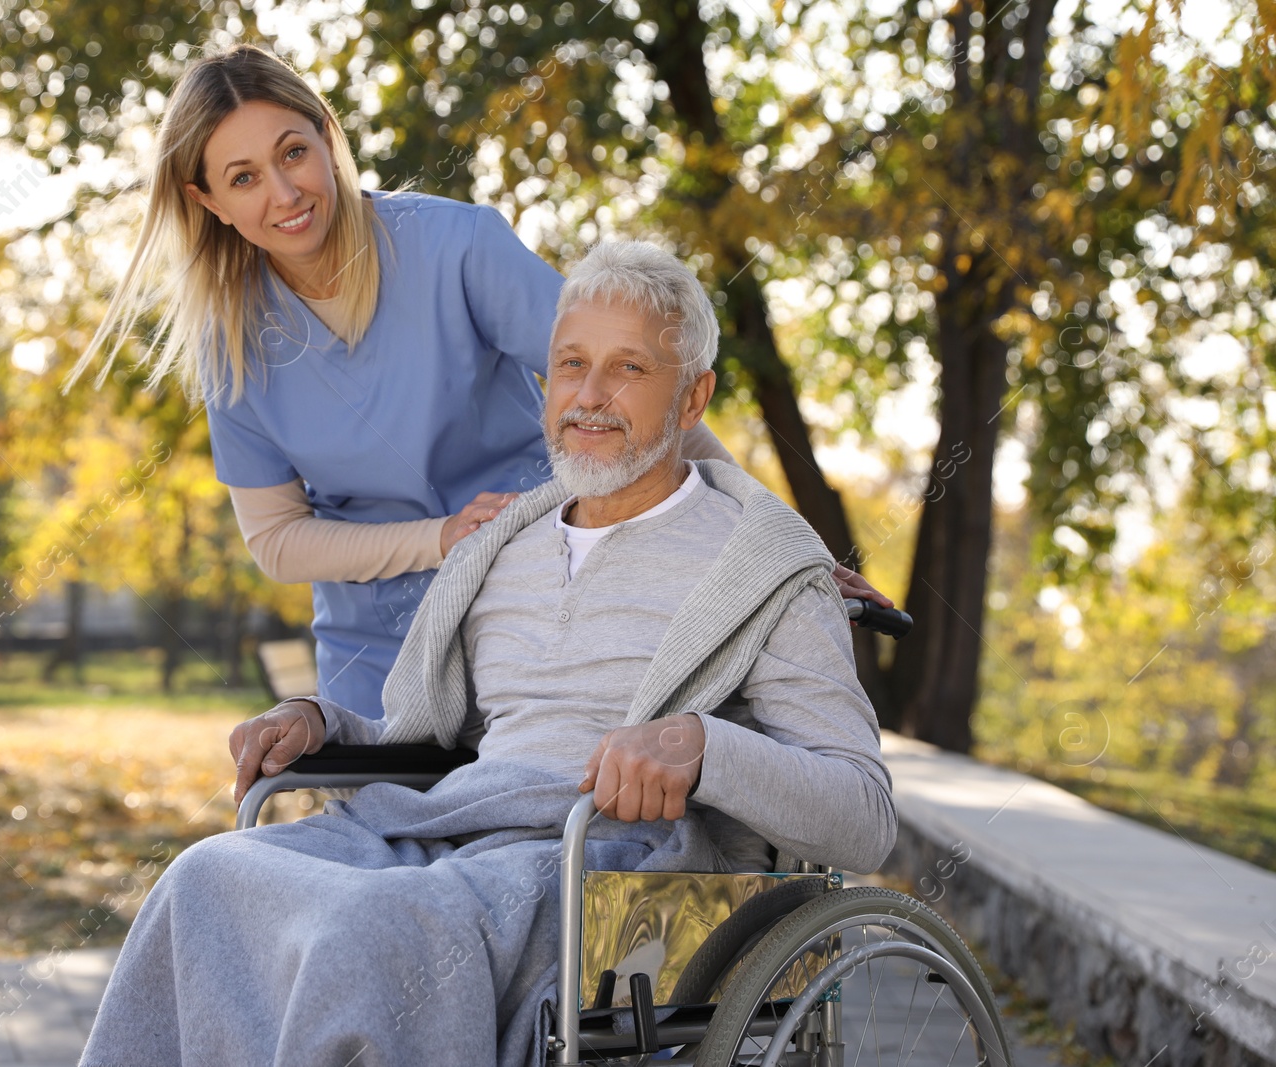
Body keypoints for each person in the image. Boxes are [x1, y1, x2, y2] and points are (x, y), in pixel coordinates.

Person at [79, 242, 894, 1067]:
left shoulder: (763, 566)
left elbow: (864, 815)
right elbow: (436, 740)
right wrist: (322, 724)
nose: (590, 396)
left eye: (629, 369)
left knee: (373, 936)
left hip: (618, 869)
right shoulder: (504, 547)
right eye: (571, 364)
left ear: (693, 398)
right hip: (453, 827)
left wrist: (703, 747)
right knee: (204, 881)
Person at [69, 43, 889, 717]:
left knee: (538, 854)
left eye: (294, 152)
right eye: (243, 177)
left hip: (540, 612)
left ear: (326, 135)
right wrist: (438, 537)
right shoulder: (231, 349)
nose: (285, 194)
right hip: (377, 649)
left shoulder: (455, 248)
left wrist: (773, 542)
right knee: (380, 873)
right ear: (206, 200)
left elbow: (636, 403)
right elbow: (279, 541)